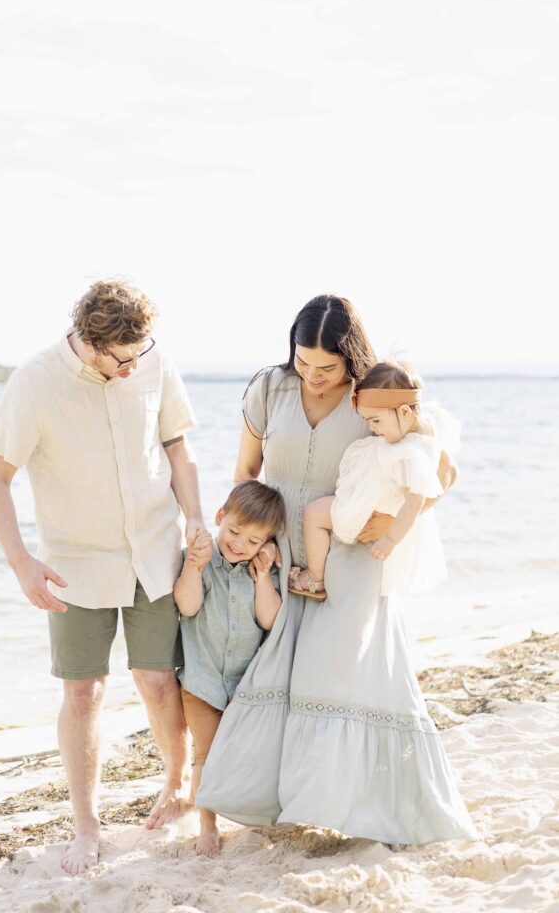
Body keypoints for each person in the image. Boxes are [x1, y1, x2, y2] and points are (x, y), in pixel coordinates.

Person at [196, 294, 476, 845]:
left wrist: (391, 521)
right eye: (303, 363)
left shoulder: (374, 392)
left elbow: (439, 471)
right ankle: (290, 805)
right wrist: (250, 539)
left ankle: (379, 809)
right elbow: (246, 471)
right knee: (279, 680)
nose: (314, 376)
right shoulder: (268, 389)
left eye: (327, 367)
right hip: (278, 560)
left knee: (347, 680)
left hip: (348, 563)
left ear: (351, 358)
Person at [0, 278, 205, 875]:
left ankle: (177, 785)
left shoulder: (151, 361)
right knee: (84, 692)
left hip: (155, 552)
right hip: (75, 563)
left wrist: (196, 520)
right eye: (121, 359)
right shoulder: (34, 382)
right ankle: (87, 826)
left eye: (141, 354)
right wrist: (20, 562)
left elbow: (178, 449)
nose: (135, 367)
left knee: (158, 681)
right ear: (87, 340)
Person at [174, 481, 285, 856]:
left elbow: (269, 619)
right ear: (220, 518)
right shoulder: (204, 562)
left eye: (254, 541)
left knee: (238, 752)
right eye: (234, 532)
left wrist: (261, 579)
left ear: (267, 542)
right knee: (207, 753)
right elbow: (187, 606)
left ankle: (234, 804)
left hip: (243, 685)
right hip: (202, 681)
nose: (239, 544)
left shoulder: (261, 572)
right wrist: (193, 565)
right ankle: (207, 823)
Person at [294, 360, 456, 601]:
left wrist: (391, 539)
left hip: (367, 508)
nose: (372, 428)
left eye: (376, 421)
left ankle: (315, 578)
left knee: (314, 515)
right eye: (367, 420)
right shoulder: (425, 424)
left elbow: (414, 504)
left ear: (404, 412)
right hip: (375, 502)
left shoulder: (409, 455)